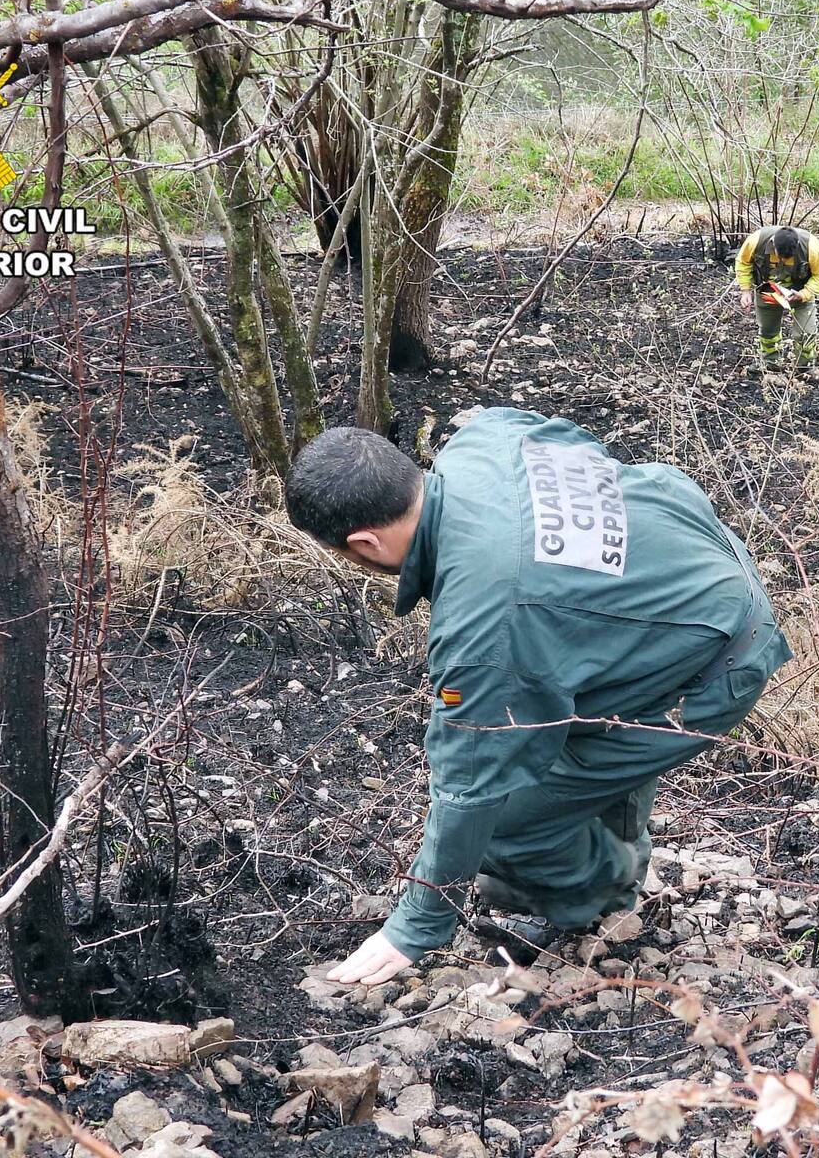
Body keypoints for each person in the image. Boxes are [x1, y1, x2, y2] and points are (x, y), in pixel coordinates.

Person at [286, 408, 793, 986]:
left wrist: (417, 924)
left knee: (506, 820)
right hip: (689, 564)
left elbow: (473, 785)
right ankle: (608, 855)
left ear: (365, 542)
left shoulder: (489, 626)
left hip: (714, 657)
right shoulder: (487, 436)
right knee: (564, 718)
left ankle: (601, 900)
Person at [734, 224, 819, 372]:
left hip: (799, 294)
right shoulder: (756, 240)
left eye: (789, 258)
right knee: (768, 331)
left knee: (806, 333)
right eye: (781, 257)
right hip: (768, 292)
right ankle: (769, 362)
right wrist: (745, 290)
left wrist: (804, 294)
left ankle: (804, 367)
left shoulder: (811, 246)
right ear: (773, 244)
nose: (784, 261)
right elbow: (743, 262)